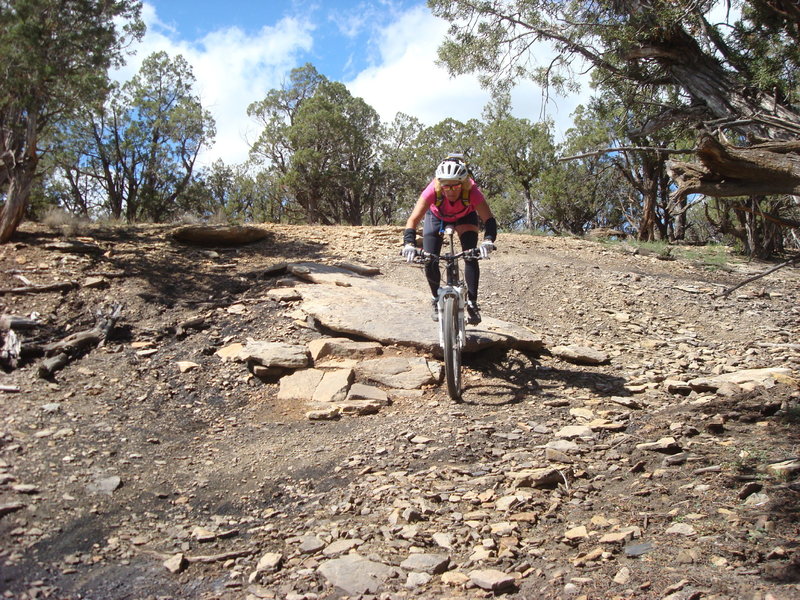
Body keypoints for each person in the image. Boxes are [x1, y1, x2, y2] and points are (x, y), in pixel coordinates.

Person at [402, 154, 497, 325]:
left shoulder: (472, 191)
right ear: (440, 184)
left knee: (470, 255)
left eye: (456, 186)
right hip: (437, 217)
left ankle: (472, 303)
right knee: (429, 258)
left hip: (465, 217)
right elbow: (413, 220)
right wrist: (409, 244)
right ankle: (435, 298)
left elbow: (489, 219)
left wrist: (488, 240)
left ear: (464, 183)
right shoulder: (432, 190)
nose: (451, 191)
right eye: (447, 187)